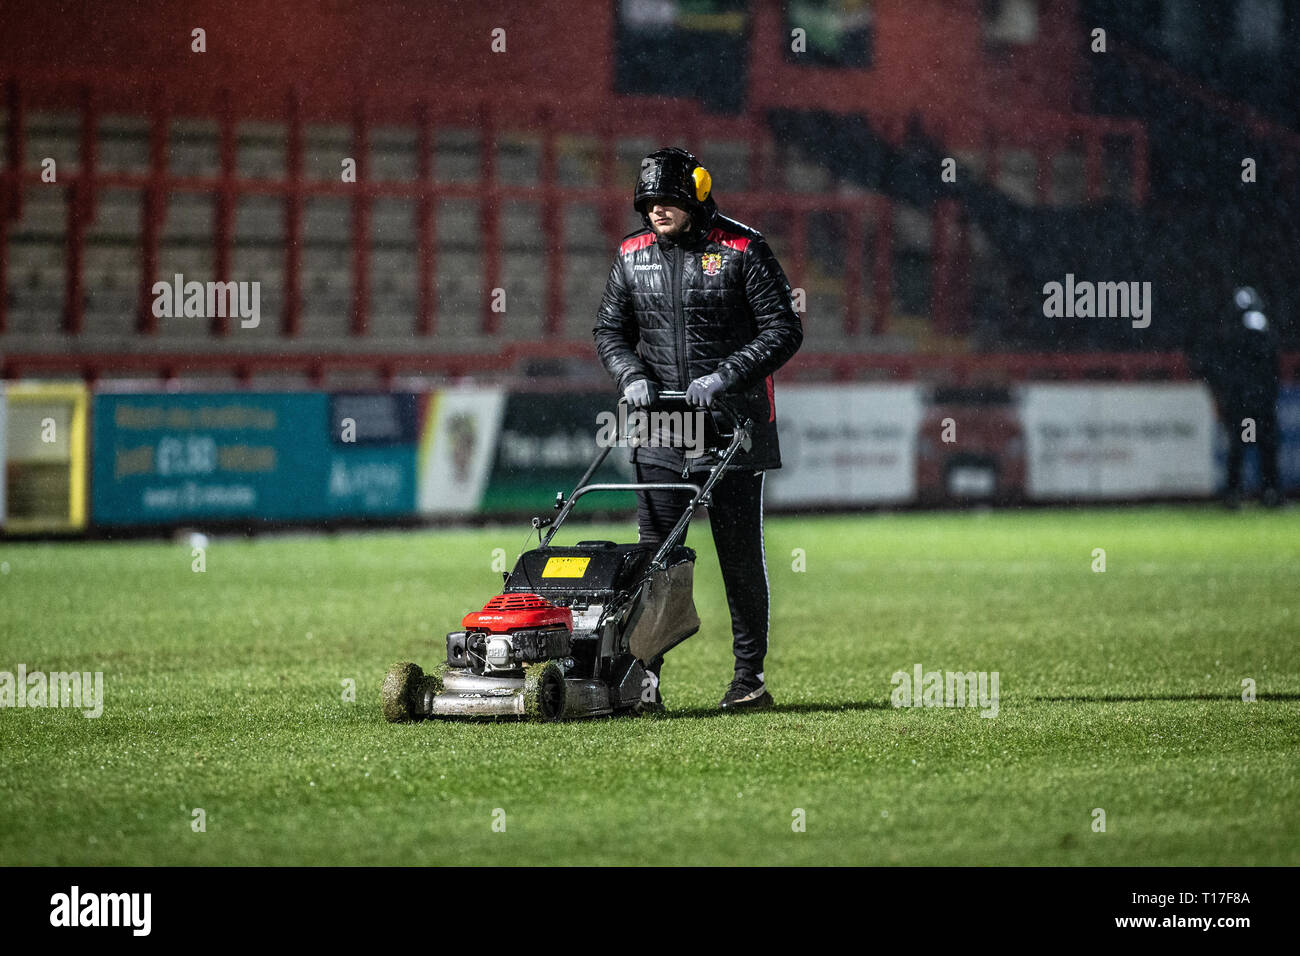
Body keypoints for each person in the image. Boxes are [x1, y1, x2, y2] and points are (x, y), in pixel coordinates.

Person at [593, 146, 803, 711]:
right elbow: (609, 331)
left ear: (697, 196)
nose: (657, 209)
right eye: (649, 201)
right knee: (654, 558)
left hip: (734, 426)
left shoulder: (743, 249)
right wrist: (629, 373)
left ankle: (748, 680)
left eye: (669, 200)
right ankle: (643, 680)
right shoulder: (630, 256)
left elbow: (784, 329)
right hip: (664, 425)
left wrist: (727, 376)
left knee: (738, 557)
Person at [1189, 286, 1283, 508]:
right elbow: (1272, 364)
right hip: (1259, 400)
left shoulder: (1230, 330)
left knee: (1240, 446)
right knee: (1264, 445)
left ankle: (1235, 493)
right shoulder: (1261, 326)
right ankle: (1269, 492)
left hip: (1242, 400)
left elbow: (1213, 364)